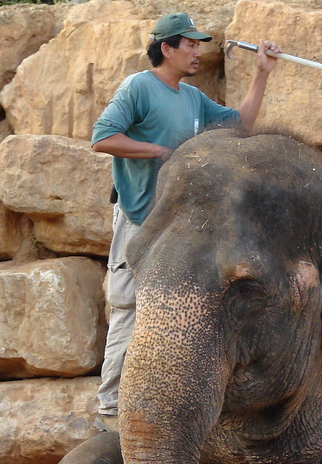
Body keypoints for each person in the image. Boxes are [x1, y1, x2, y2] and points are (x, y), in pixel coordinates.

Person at [91, 12, 281, 432]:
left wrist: (262, 74)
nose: (199, 51)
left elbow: (241, 125)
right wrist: (161, 153)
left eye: (199, 44)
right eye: (191, 44)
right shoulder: (139, 86)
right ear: (167, 48)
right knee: (128, 307)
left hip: (175, 227)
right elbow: (102, 137)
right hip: (140, 218)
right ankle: (109, 411)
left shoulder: (192, 97)